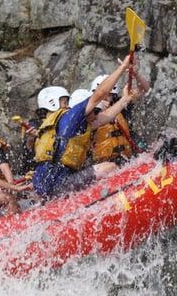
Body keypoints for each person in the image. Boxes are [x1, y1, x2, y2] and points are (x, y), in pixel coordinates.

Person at [32, 56, 143, 198]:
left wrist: (125, 99)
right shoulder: (73, 118)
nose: (97, 115)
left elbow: (107, 117)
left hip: (53, 182)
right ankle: (119, 198)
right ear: (86, 111)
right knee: (110, 167)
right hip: (55, 182)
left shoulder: (83, 125)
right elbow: (100, 93)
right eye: (95, 111)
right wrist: (122, 68)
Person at [89, 67, 150, 164]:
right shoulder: (89, 114)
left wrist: (136, 74)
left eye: (109, 95)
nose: (105, 98)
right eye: (102, 96)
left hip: (126, 159)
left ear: (114, 96)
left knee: (144, 149)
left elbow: (144, 89)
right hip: (103, 164)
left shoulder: (120, 104)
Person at [17, 86, 70, 174]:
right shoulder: (35, 124)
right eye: (65, 102)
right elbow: (28, 149)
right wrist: (31, 138)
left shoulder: (62, 121)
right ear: (52, 103)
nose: (67, 106)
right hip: (38, 170)